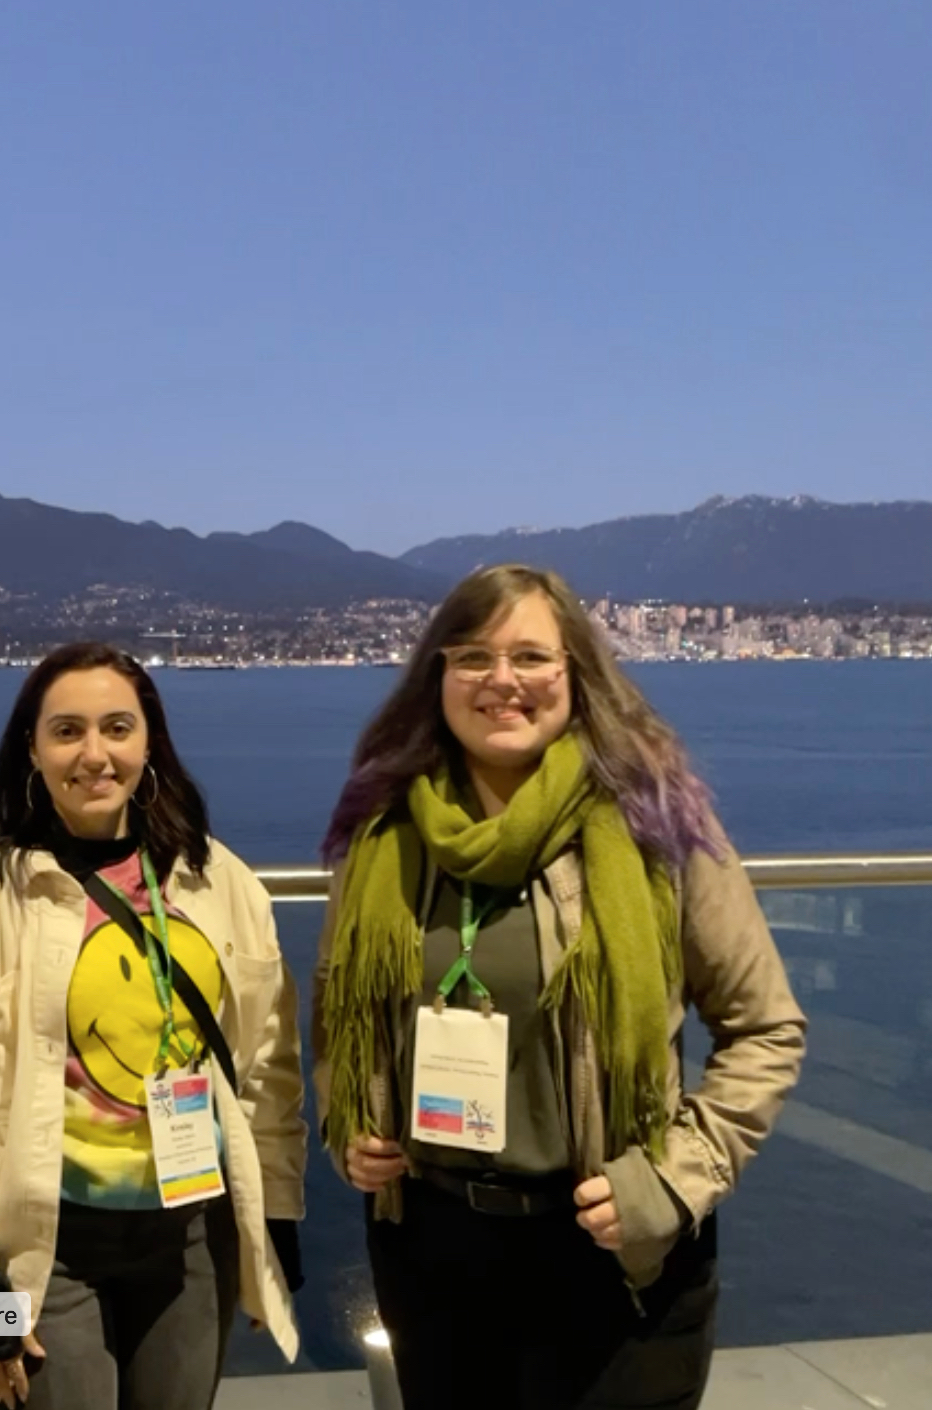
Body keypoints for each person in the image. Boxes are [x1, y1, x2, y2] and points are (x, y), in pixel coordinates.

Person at [311, 564, 806, 1410]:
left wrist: (674, 1181)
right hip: (433, 1249)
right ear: (438, 676)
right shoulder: (385, 828)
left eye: (531, 657)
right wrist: (347, 1121)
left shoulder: (657, 824)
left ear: (576, 673)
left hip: (614, 1250)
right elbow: (340, 1008)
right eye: (473, 657)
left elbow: (765, 1030)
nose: (502, 681)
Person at [0, 642, 306, 1410]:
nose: (95, 754)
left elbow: (268, 1066)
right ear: (32, 750)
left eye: (117, 727)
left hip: (194, 1234)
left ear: (151, 743)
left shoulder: (218, 881)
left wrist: (274, 1214)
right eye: (67, 731)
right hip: (40, 1244)